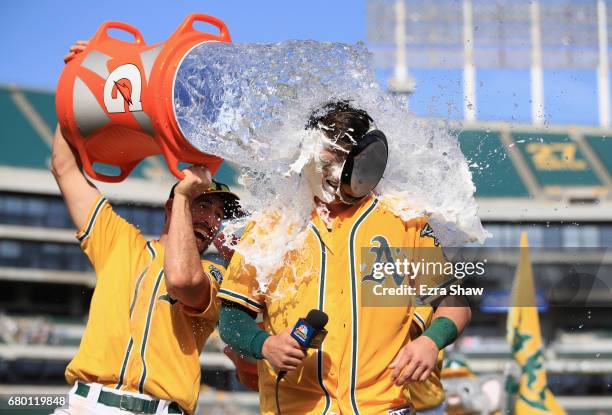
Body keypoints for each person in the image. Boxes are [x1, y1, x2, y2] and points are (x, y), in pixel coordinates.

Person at [217, 101, 472, 414]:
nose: (334, 172)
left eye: (343, 159)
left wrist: (431, 341)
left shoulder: (404, 220)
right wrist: (265, 345)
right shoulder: (272, 226)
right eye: (327, 160)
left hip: (383, 406)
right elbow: (231, 317)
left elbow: (452, 304)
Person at [51, 42, 241, 415]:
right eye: (203, 203)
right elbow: (64, 167)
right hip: (84, 404)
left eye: (219, 212)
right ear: (171, 206)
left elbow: (183, 281)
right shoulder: (120, 241)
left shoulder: (217, 273)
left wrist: (187, 198)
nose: (211, 218)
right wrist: (79, 87)